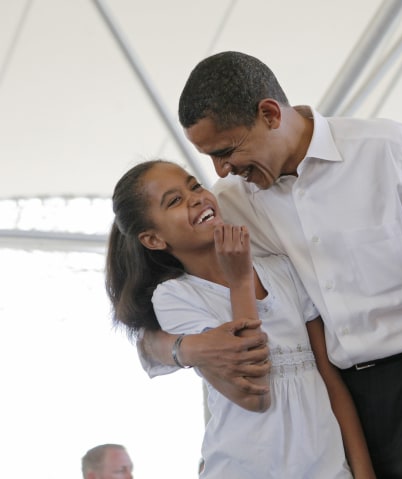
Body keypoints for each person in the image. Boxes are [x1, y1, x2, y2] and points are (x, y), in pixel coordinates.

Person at [138, 51, 402, 478]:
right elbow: (168, 283)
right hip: (331, 404)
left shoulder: (385, 150)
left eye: (225, 150)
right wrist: (178, 348)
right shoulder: (232, 201)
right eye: (209, 157)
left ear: (269, 114)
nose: (220, 169)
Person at [105, 159, 374, 478]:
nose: (195, 197)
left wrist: (362, 470)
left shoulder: (283, 270)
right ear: (153, 240)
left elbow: (331, 380)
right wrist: (241, 282)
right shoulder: (175, 297)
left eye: (194, 185)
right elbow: (254, 394)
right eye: (174, 200)